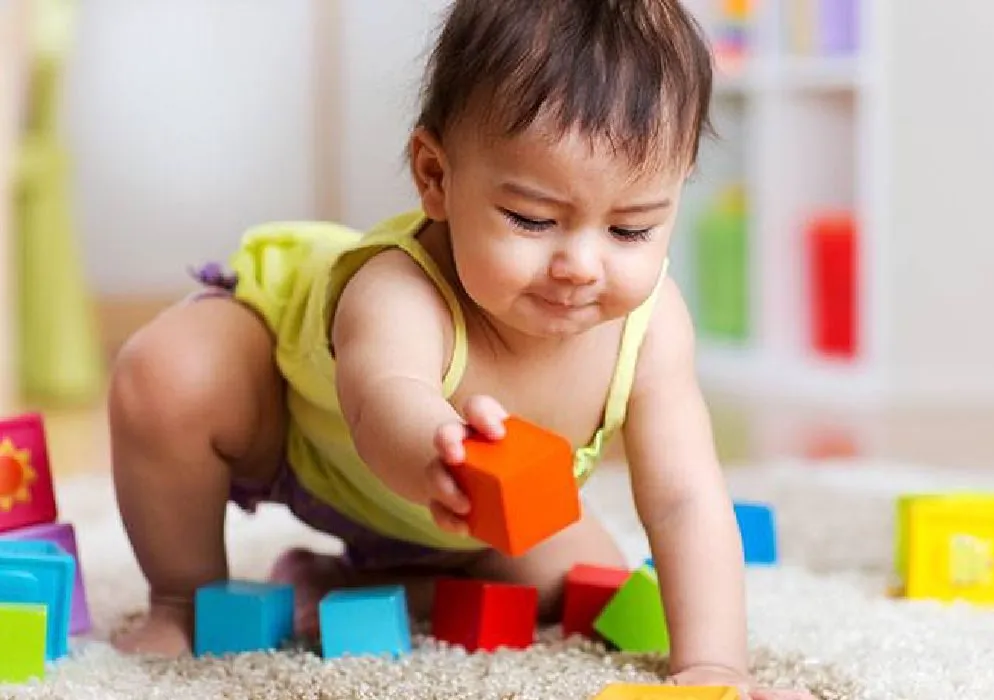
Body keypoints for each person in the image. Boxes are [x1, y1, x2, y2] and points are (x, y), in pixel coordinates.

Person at [108, 1, 811, 696]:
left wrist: (715, 668)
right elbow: (382, 396)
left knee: (574, 585)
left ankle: (353, 585)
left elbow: (686, 499)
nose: (581, 266)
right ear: (436, 177)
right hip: (302, 434)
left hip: (459, 525)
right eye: (533, 220)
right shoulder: (401, 286)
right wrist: (435, 444)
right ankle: (182, 598)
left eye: (630, 231)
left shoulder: (651, 326)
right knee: (171, 372)